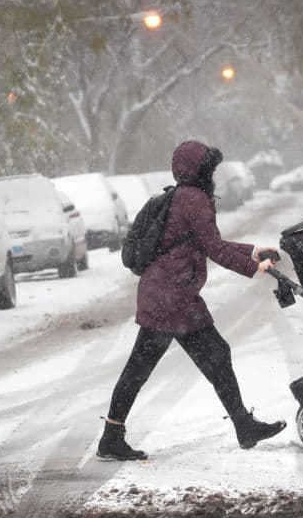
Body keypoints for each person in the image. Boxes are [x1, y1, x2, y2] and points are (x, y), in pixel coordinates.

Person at [97, 140, 286, 461]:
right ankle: (112, 437)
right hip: (170, 298)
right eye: (210, 168)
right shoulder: (193, 199)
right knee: (142, 367)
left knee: (211, 356)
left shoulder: (184, 197)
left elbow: (209, 241)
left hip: (172, 295)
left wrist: (252, 250)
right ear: (199, 170)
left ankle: (243, 426)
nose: (214, 174)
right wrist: (256, 268)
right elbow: (214, 248)